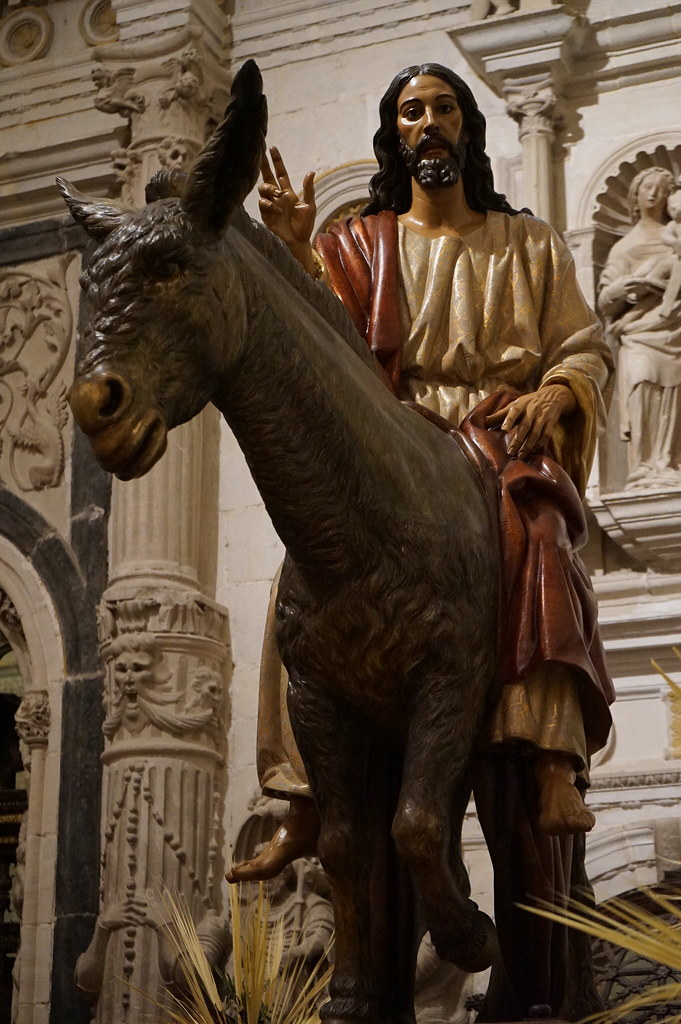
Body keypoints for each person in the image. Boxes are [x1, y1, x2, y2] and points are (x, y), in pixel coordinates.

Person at [228, 63, 614, 891]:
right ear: (393, 133)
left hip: (496, 433)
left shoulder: (528, 242)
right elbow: (319, 346)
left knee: (538, 533)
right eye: (411, 111)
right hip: (394, 439)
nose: (427, 123)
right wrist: (298, 252)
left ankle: (548, 750)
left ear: (466, 127)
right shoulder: (358, 243)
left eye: (442, 108)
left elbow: (582, 342)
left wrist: (556, 387)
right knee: (303, 578)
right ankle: (301, 792)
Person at [598, 167, 681, 487]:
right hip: (639, 337)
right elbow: (606, 300)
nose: (653, 194)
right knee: (642, 388)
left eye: (661, 189)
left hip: (675, 329)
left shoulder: (673, 236)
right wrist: (630, 286)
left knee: (674, 396)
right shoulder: (623, 247)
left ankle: (669, 462)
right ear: (635, 193)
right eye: (647, 187)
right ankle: (645, 465)